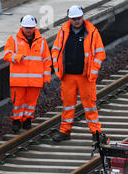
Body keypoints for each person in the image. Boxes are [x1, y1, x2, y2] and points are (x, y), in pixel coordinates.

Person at [51, 5, 106, 142]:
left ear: (83, 17)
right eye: (74, 19)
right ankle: (65, 131)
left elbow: (100, 53)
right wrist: (58, 69)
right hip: (68, 76)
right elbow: (55, 51)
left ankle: (96, 132)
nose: (76, 21)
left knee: (90, 106)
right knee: (68, 105)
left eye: (79, 18)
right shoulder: (63, 32)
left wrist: (93, 72)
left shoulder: (92, 32)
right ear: (69, 19)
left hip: (85, 76)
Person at [3, 15, 51, 133]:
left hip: (35, 81)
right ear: (22, 27)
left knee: (31, 102)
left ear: (34, 28)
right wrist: (18, 57)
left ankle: (27, 120)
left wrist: (46, 78)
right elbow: (6, 55)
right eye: (26, 27)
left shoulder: (42, 42)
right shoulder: (13, 40)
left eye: (30, 28)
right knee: (18, 102)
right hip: (18, 81)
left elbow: (47, 61)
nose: (28, 30)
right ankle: (16, 121)